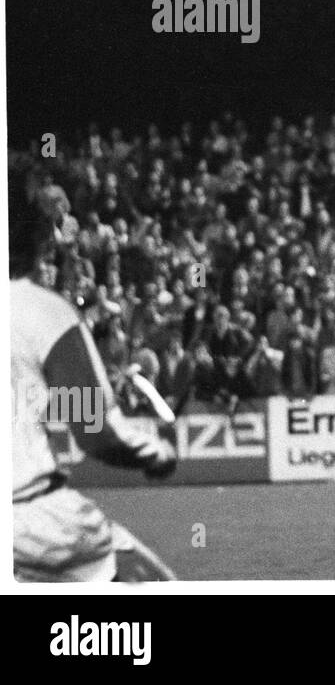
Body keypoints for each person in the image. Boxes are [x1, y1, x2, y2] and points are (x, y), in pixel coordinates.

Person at [11, 184, 177, 581]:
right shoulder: (43, 311)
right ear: (38, 244)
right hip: (35, 522)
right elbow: (91, 430)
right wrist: (158, 453)